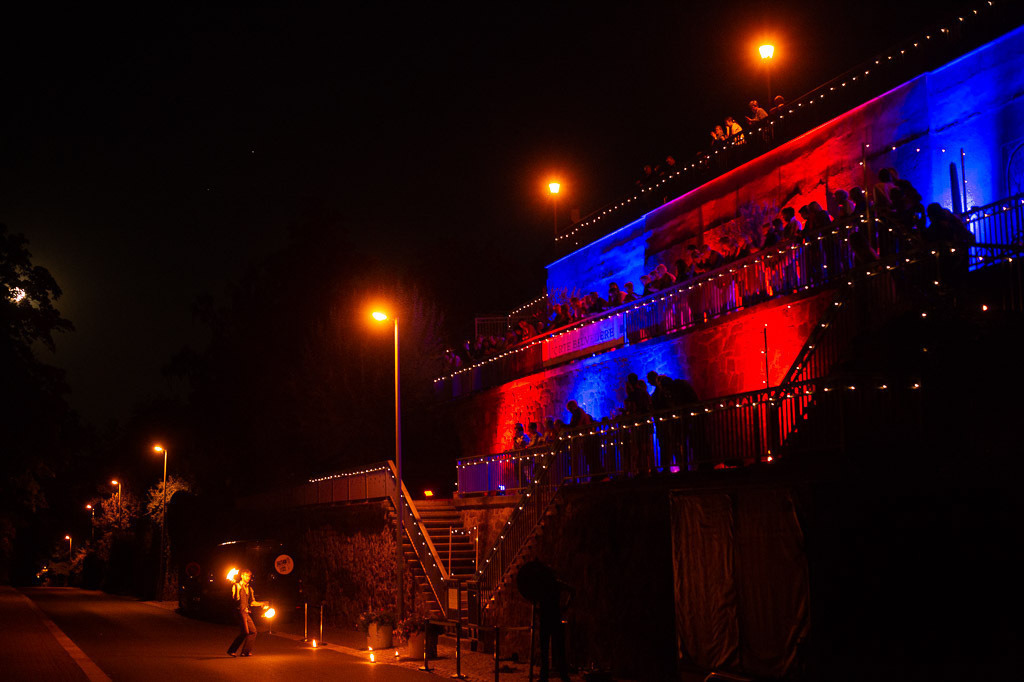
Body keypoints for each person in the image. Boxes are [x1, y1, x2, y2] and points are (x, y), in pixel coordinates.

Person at [516, 560, 573, 682]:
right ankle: (561, 675)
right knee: (556, 648)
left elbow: (570, 590)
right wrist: (565, 606)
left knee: (546, 649)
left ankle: (547, 676)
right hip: (553, 618)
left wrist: (565, 606)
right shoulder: (553, 584)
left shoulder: (543, 586)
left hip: (548, 619)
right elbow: (571, 590)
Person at [227, 569, 268, 657]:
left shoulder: (250, 589)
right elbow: (236, 599)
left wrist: (261, 603)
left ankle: (245, 652)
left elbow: (252, 602)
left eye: (249, 576)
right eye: (246, 575)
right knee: (245, 632)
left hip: (246, 612)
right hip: (239, 611)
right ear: (242, 576)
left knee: (253, 631)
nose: (248, 578)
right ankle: (232, 650)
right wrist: (236, 589)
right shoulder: (236, 586)